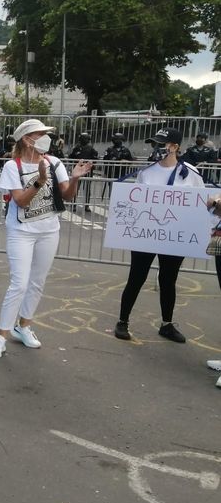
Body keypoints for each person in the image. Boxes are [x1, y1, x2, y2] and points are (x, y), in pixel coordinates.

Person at [0, 119, 92, 358]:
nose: (47, 138)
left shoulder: (54, 162)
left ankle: (24, 326)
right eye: (41, 134)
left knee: (37, 282)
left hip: (49, 230)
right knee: (19, 283)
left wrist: (75, 178)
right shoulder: (13, 167)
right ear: (27, 139)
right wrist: (39, 181)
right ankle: (1, 336)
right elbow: (20, 201)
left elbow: (67, 195)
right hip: (21, 231)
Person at [114, 128, 204, 343]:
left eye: (162, 144)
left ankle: (166, 324)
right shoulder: (147, 172)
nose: (157, 148)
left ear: (175, 147)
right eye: (155, 144)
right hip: (147, 236)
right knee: (136, 277)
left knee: (168, 279)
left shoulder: (191, 173)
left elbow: (201, 201)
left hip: (173, 237)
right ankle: (122, 321)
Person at [68, 132, 98, 211]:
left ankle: (86, 205)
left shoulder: (91, 148)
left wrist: (90, 164)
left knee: (87, 188)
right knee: (75, 187)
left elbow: (95, 159)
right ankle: (73, 204)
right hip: (78, 171)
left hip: (87, 171)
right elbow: (71, 157)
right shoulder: (77, 148)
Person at [102, 132, 134, 197]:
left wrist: (125, 161)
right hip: (111, 174)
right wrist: (105, 173)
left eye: (116, 139)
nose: (114, 140)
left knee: (121, 193)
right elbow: (105, 161)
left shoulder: (125, 150)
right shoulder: (109, 150)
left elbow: (131, 161)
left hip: (122, 174)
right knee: (112, 192)